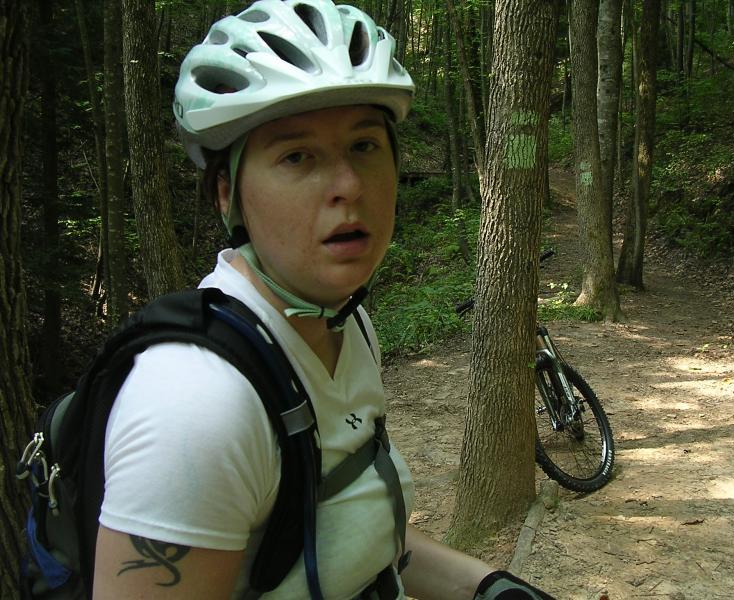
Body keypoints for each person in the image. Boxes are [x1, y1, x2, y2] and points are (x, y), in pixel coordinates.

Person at [91, 1, 554, 598]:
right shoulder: (196, 406)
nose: (349, 186)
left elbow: (360, 538)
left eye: (364, 146)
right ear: (227, 195)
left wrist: (490, 586)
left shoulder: (346, 324)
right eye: (297, 156)